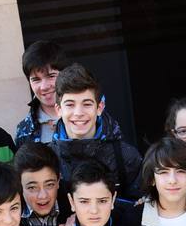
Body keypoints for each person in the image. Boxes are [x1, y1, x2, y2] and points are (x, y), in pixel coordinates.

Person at [49, 63, 143, 199]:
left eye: (87, 104)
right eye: (70, 104)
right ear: (58, 110)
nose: (78, 113)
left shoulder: (126, 157)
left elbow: (138, 210)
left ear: (99, 107)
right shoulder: (48, 159)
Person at [14, 40, 65, 145]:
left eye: (51, 76)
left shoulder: (87, 118)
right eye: (36, 79)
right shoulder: (24, 131)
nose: (44, 87)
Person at [15, 143, 64, 226]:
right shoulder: (11, 216)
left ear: (59, 180)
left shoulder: (76, 206)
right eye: (32, 188)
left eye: (49, 185)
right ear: (19, 185)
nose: (42, 196)